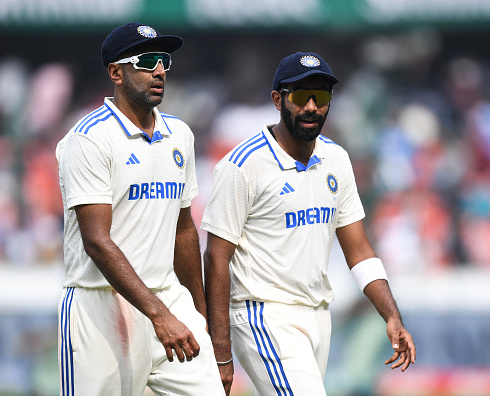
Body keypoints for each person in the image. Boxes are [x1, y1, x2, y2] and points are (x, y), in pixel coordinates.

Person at [201, 51, 416, 395]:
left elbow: (359, 250)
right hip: (263, 314)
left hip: (318, 314)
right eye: (301, 96)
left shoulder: (336, 159)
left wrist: (391, 314)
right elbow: (216, 257)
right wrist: (221, 349)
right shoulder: (242, 165)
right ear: (277, 99)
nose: (312, 107)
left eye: (322, 96)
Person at [55, 22, 225, 396]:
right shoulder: (88, 138)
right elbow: (96, 241)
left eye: (164, 60)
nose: (160, 70)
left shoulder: (180, 134)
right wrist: (159, 316)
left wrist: (198, 311)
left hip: (168, 297)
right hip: (99, 305)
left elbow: (183, 228)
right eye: (147, 61)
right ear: (116, 73)